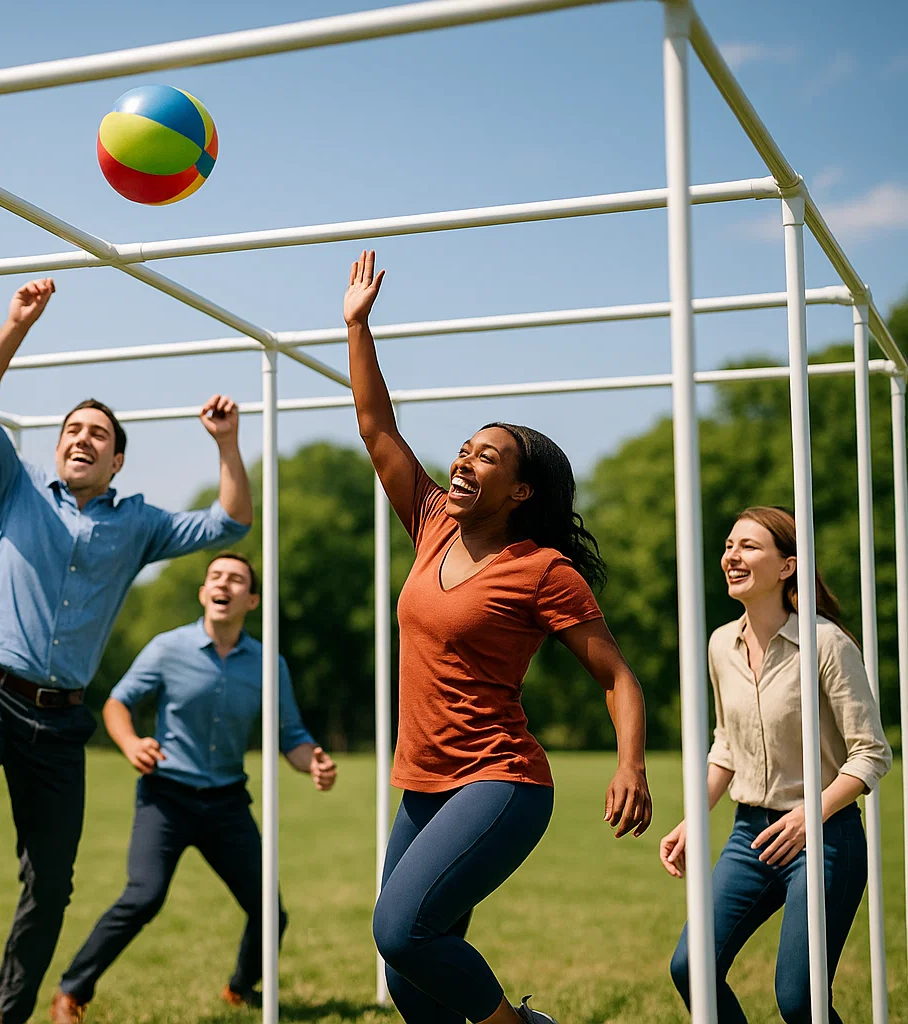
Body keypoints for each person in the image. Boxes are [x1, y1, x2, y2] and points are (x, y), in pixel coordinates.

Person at [0, 278, 253, 1024]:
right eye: (73, 430)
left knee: (52, 881)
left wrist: (228, 446)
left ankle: (7, 1012)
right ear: (58, 448)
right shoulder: (15, 487)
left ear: (116, 465)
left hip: (60, 721)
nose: (83, 438)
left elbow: (230, 525)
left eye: (99, 436)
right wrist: (15, 324)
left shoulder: (137, 524)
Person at [343, 250, 653, 1024]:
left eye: (488, 455)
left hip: (501, 781)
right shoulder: (431, 525)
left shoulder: (544, 571)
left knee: (401, 930)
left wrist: (632, 764)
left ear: (520, 491)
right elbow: (378, 430)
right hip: (423, 785)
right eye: (465, 446)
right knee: (413, 983)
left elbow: (616, 676)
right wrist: (358, 326)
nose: (464, 457)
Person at [50, 552, 338, 1022]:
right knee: (144, 895)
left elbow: (292, 738)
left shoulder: (269, 664)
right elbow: (118, 703)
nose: (223, 584)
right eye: (216, 577)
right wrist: (129, 743)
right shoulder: (168, 648)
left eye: (236, 579)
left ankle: (240, 990)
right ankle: (71, 992)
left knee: (270, 913)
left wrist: (315, 764)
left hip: (226, 803)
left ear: (252, 599)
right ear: (204, 593)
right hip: (166, 797)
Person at [660, 506, 891, 1024]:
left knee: (799, 1000)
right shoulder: (721, 643)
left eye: (748, 546)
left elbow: (872, 752)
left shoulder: (826, 643)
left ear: (787, 566)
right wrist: (694, 819)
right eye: (727, 546)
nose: (730, 557)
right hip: (749, 837)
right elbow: (726, 746)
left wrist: (811, 814)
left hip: (825, 838)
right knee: (689, 967)